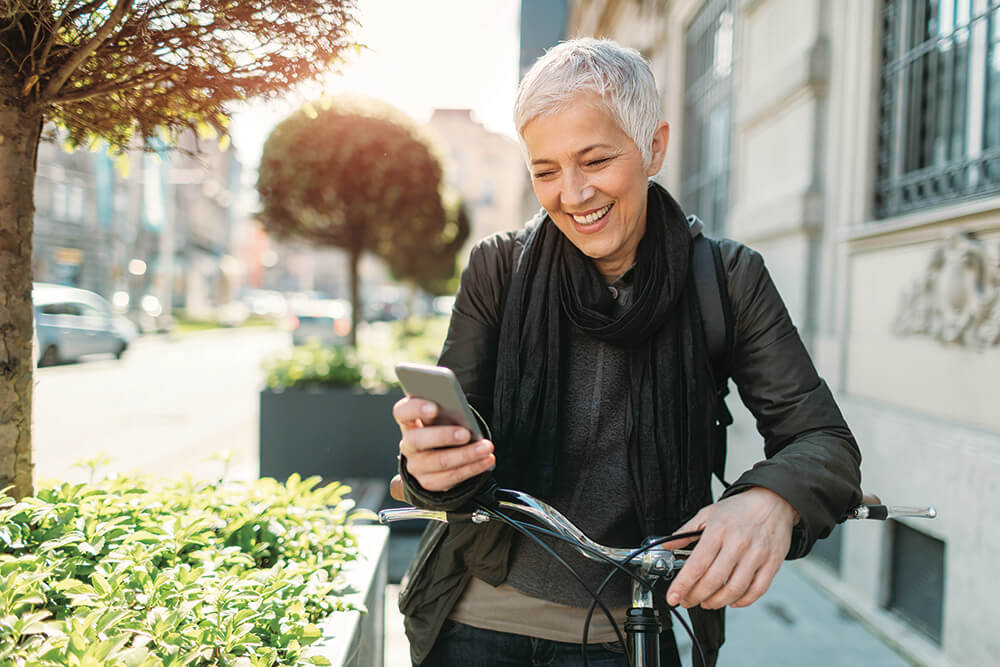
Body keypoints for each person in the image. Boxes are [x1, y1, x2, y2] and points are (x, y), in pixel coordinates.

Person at [392, 37, 862, 667]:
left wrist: (769, 500)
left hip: (628, 631)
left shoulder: (727, 278)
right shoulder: (496, 269)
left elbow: (824, 442)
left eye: (596, 160)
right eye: (546, 171)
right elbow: (453, 452)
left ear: (655, 147)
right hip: (472, 617)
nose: (574, 193)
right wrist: (431, 464)